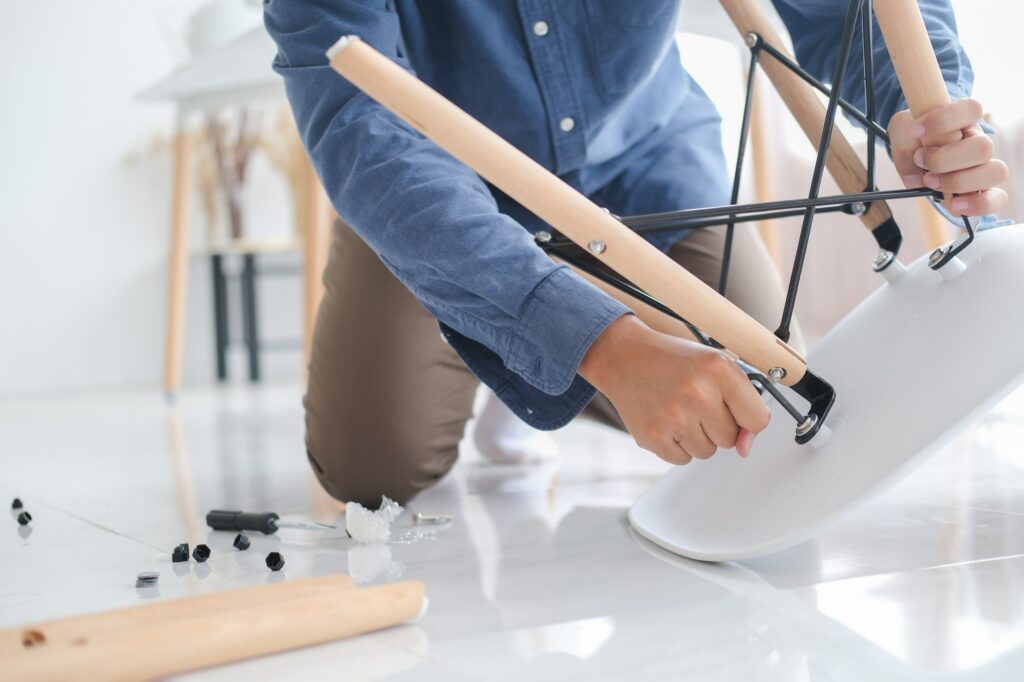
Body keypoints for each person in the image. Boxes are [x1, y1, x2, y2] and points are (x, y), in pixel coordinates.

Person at [263, 0, 1008, 506]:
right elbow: (360, 122)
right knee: (370, 468)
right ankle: (528, 339)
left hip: (644, 167)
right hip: (439, 190)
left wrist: (918, 103)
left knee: (767, 423)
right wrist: (607, 349)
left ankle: (534, 366)